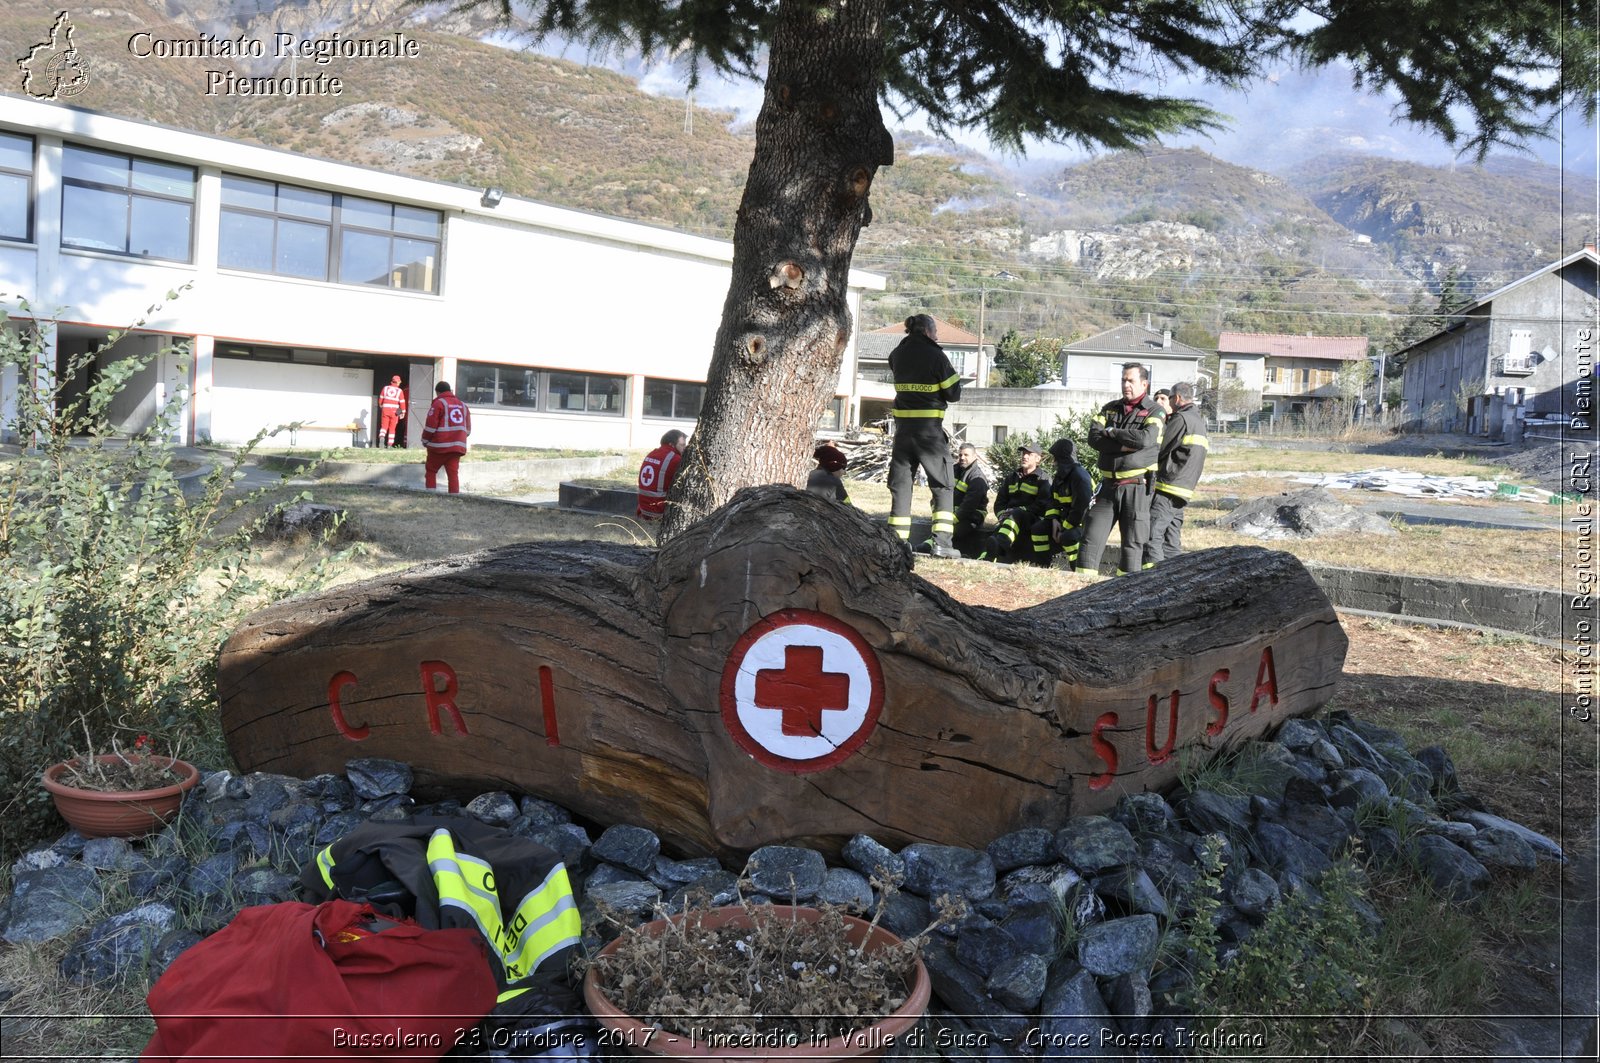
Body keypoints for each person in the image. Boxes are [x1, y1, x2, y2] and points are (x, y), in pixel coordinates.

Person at [1076, 362, 1165, 576]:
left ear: (1144, 384)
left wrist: (1112, 432)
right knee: (1090, 539)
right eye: (1123, 380)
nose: (1126, 384)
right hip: (1107, 487)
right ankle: (1080, 589)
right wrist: (1125, 443)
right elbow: (1094, 439)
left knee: (1132, 547)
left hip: (1136, 488)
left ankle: (1125, 594)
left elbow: (1145, 440)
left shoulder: (1155, 411)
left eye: (1131, 380)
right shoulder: (1109, 408)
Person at [887, 314, 962, 559]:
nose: (938, 336)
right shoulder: (936, 355)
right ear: (928, 331)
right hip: (929, 432)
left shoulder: (897, 355)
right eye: (936, 331)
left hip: (903, 432)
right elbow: (953, 393)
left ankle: (896, 543)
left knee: (901, 486)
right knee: (943, 485)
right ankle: (942, 544)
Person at [1144, 380, 1208, 566]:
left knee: (1152, 536)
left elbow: (1160, 449)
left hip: (1167, 487)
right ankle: (1175, 577)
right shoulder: (1199, 422)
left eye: (1169, 398)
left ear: (1177, 398)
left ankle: (1151, 578)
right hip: (1183, 489)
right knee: (1171, 541)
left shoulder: (1181, 419)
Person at [978, 443, 1051, 562]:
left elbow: (1042, 505)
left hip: (1032, 519)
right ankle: (984, 558)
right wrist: (1002, 514)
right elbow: (1000, 502)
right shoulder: (1012, 477)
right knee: (998, 531)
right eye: (1023, 453)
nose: (1024, 456)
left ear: (1038, 459)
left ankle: (1000, 546)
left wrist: (1020, 510)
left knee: (1015, 514)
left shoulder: (1043, 479)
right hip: (1010, 520)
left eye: (1029, 454)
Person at [1029, 438, 1094, 568]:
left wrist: (1064, 527)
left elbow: (1081, 509)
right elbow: (1053, 501)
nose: (1053, 462)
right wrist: (1053, 519)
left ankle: (1078, 568)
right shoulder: (1061, 476)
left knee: (1068, 537)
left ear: (1062, 458)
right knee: (1038, 529)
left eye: (1055, 458)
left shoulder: (1079, 477)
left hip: (1084, 523)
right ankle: (1043, 567)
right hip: (1064, 520)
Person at [421, 380, 470, 494]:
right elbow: (467, 430)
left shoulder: (438, 404)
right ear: (450, 391)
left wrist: (425, 440)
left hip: (439, 447)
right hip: (457, 448)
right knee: (453, 474)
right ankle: (454, 498)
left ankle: (431, 495)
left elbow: (430, 427)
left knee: (431, 470)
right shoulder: (463, 406)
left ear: (437, 392)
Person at [950, 442, 991, 557]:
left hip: (973, 516)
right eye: (960, 455)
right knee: (942, 529)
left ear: (974, 457)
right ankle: (926, 547)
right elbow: (941, 492)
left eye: (966, 455)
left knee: (952, 531)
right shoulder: (953, 470)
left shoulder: (977, 477)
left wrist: (953, 518)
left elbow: (970, 504)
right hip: (955, 514)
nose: (962, 458)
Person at [637, 429, 687, 522]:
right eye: (682, 445)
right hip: (658, 510)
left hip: (643, 508)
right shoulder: (675, 459)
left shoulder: (652, 454)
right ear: (671, 444)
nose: (685, 448)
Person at [378, 374, 407, 448]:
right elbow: (402, 402)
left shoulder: (385, 388)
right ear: (397, 382)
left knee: (384, 426)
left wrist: (382, 406)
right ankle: (389, 444)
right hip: (394, 411)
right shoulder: (399, 391)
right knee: (392, 428)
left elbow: (381, 399)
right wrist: (403, 412)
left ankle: (382, 438)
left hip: (385, 409)